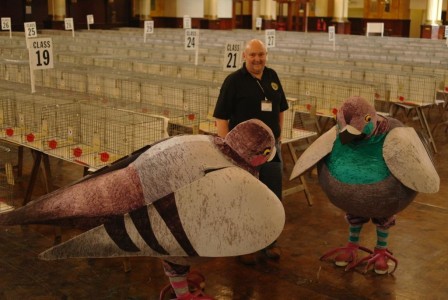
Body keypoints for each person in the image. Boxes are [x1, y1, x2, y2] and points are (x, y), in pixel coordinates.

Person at [213, 38, 289, 264]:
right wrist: (229, 149)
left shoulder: (272, 77)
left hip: (270, 150)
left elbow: (281, 108)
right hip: (242, 153)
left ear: (266, 55)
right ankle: (244, 244)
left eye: (261, 54)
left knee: (271, 196)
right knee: (244, 197)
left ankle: (269, 241)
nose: (258, 59)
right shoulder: (233, 81)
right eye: (253, 55)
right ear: (244, 56)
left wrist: (278, 135)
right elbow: (221, 117)